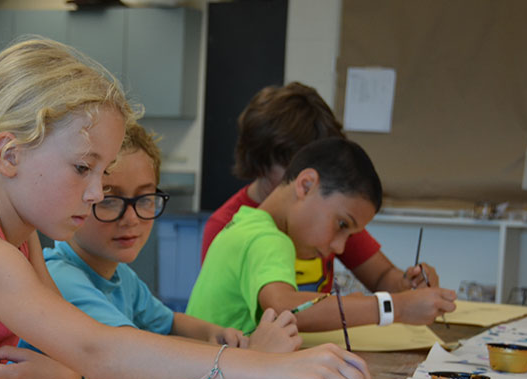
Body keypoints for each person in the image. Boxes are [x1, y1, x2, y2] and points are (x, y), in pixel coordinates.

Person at [0, 38, 370, 379]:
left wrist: (68, 378)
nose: (96, 192)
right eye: (82, 168)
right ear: (9, 154)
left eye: (102, 171)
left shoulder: (18, 241)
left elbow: (73, 351)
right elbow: (99, 349)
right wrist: (271, 369)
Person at [0, 123, 301, 379]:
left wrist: (216, 333)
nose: (132, 218)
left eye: (145, 199)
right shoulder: (62, 277)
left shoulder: (121, 275)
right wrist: (255, 360)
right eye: (110, 200)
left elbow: (170, 323)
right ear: (83, 197)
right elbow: (129, 358)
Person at [187, 138, 457, 333]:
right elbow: (285, 309)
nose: (340, 248)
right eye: (341, 224)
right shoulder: (266, 238)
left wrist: (405, 289)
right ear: (306, 185)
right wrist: (394, 308)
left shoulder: (246, 222)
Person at [202, 82, 439, 295]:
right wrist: (383, 310)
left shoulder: (332, 219)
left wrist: (409, 283)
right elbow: (285, 308)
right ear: (261, 161)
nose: (338, 244)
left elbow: (381, 277)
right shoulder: (228, 226)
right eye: (296, 164)